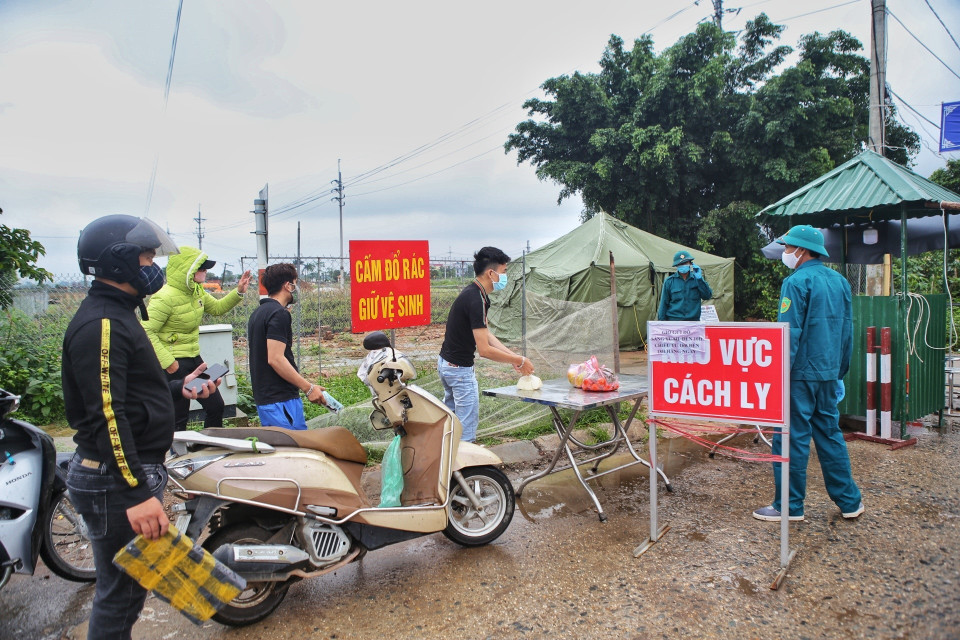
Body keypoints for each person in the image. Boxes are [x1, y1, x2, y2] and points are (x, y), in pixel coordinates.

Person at [63, 215, 218, 639]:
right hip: (115, 482)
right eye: (148, 256)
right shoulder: (103, 325)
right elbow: (106, 416)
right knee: (121, 597)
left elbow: (127, 393)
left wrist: (177, 388)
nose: (153, 265)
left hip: (120, 476)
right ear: (119, 262)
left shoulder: (118, 314)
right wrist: (135, 494)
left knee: (124, 593)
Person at [753, 224, 864, 522]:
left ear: (801, 251)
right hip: (828, 373)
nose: (786, 252)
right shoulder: (840, 282)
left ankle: (788, 506)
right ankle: (850, 501)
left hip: (799, 375)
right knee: (829, 434)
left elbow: (788, 335)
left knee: (791, 437)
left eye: (788, 248)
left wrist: (778, 375)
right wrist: (839, 370)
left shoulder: (795, 282)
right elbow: (847, 331)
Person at [142, 245, 252, 431]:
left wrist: (239, 291)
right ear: (188, 270)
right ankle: (180, 456)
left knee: (216, 406)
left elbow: (217, 308)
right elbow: (145, 330)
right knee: (179, 416)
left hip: (194, 359)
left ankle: (209, 447)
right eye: (201, 268)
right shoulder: (164, 297)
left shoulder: (197, 292)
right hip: (173, 364)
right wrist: (168, 362)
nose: (205, 271)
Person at [438, 246, 535, 442]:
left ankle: (448, 466)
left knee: (450, 425)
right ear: (491, 273)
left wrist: (514, 358)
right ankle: (466, 469)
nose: (505, 276)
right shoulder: (476, 299)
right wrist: (520, 359)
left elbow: (486, 335)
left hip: (447, 365)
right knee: (465, 430)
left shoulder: (476, 293)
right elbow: (485, 350)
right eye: (504, 271)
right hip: (459, 372)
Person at [247, 263, 327, 429]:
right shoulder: (279, 313)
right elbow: (275, 359)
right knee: (294, 448)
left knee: (280, 449)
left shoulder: (259, 313)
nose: (296, 288)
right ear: (288, 286)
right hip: (280, 400)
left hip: (267, 398)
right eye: (295, 283)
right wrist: (308, 388)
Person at [657, 250, 713, 321]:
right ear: (676, 266)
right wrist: (662, 324)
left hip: (693, 322)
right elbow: (663, 304)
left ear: (690, 264)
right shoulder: (669, 281)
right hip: (674, 322)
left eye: (685, 263)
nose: (683, 265)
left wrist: (700, 279)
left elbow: (707, 296)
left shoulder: (697, 280)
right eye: (680, 264)